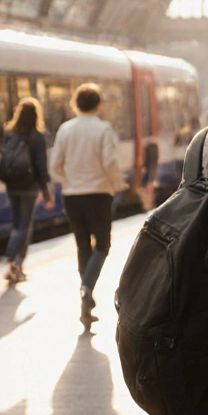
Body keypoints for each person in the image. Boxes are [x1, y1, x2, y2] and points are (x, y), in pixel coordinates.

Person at [49, 83, 125, 330]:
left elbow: (56, 165)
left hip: (72, 195)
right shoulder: (103, 129)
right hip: (99, 194)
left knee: (83, 245)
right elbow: (110, 161)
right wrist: (116, 184)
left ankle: (86, 299)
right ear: (98, 104)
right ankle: (87, 288)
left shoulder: (64, 129)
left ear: (75, 103)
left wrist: (69, 180)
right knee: (102, 245)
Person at [0, 97, 54, 285]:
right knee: (25, 225)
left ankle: (14, 265)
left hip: (12, 186)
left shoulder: (9, 133)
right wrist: (46, 192)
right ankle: (14, 261)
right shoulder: (36, 136)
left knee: (16, 224)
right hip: (29, 187)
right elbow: (41, 165)